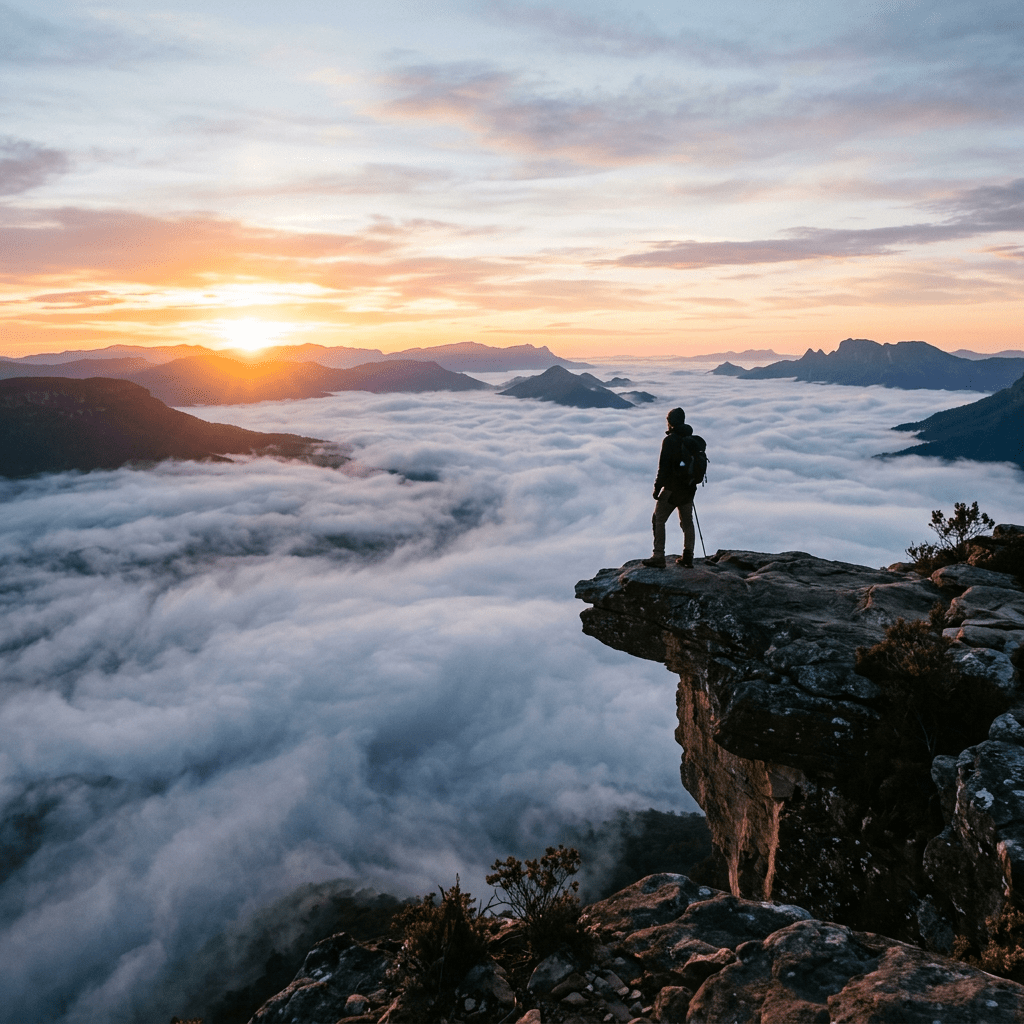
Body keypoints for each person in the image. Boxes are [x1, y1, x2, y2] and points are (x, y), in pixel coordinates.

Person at [642, 407, 697, 569]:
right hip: (688, 489)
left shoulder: (670, 440)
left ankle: (658, 556)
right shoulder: (690, 438)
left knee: (658, 519)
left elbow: (663, 467)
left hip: (672, 489)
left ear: (671, 422)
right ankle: (688, 557)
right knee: (687, 522)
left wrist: (657, 488)